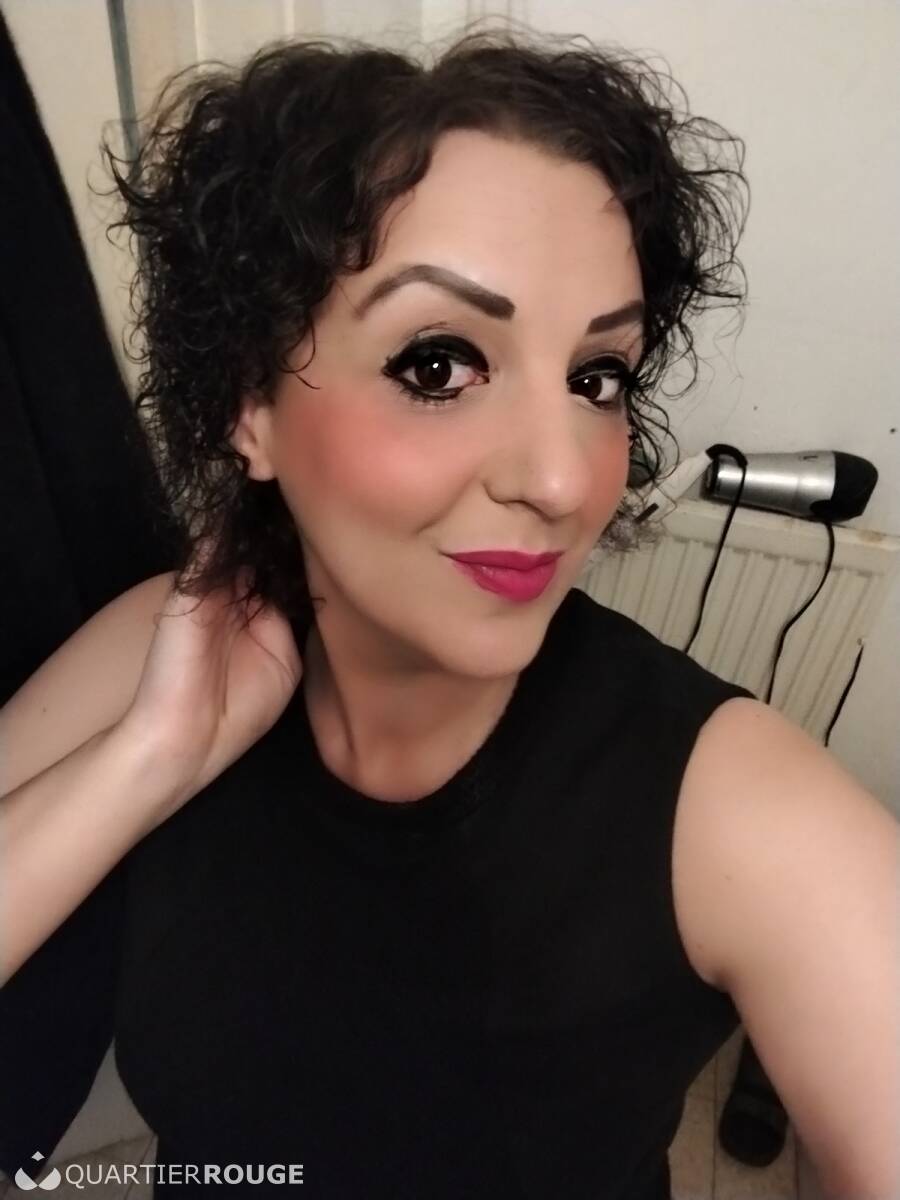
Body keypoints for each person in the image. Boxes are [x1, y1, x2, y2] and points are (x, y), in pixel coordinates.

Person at [1, 22, 897, 1200]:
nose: (565, 479)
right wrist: (147, 762)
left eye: (598, 377)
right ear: (248, 406)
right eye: (438, 364)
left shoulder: (739, 816)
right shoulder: (163, 657)